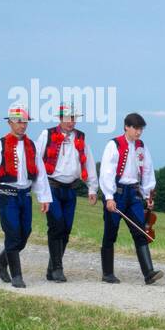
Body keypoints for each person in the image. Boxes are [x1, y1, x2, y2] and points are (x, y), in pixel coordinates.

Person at [0, 107, 52, 288]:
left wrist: (44, 197)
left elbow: (40, 173)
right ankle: (17, 275)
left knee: (24, 233)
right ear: (10, 122)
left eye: (25, 122)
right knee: (12, 234)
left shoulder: (32, 145)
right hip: (7, 195)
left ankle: (1, 262)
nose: (22, 125)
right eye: (19, 122)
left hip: (24, 196)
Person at [33, 103, 97, 282]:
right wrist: (39, 191)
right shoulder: (47, 134)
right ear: (60, 118)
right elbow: (36, 161)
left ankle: (52, 267)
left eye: (74, 118)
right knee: (57, 225)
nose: (71, 122)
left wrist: (92, 187)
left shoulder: (81, 138)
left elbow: (89, 162)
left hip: (70, 189)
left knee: (66, 229)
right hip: (51, 187)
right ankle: (58, 268)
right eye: (68, 118)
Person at [99, 112, 161, 285]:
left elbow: (147, 170)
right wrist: (109, 197)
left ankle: (149, 273)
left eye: (141, 129)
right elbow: (106, 173)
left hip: (134, 194)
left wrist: (148, 194)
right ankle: (108, 273)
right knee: (110, 232)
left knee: (140, 231)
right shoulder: (114, 145)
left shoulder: (141, 146)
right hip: (116, 193)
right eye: (135, 128)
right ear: (126, 126)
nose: (138, 132)